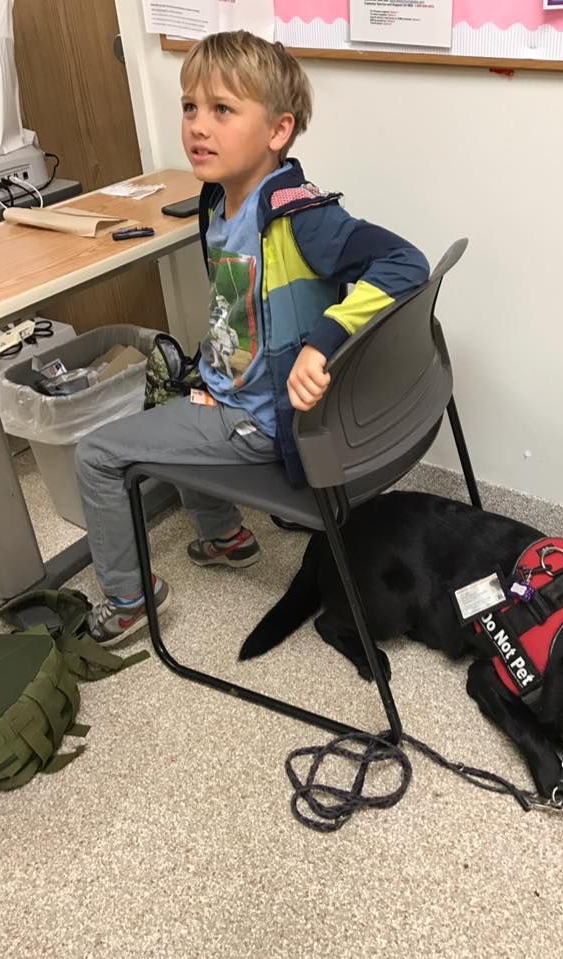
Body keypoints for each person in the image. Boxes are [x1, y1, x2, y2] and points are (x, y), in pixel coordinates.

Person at [75, 30, 429, 646]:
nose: (197, 126)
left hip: (260, 419)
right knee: (175, 402)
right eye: (190, 107)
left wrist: (322, 342)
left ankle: (128, 602)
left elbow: (406, 263)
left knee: (95, 456)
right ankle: (225, 537)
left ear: (278, 131)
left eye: (222, 110)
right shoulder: (218, 200)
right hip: (234, 388)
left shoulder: (301, 216)